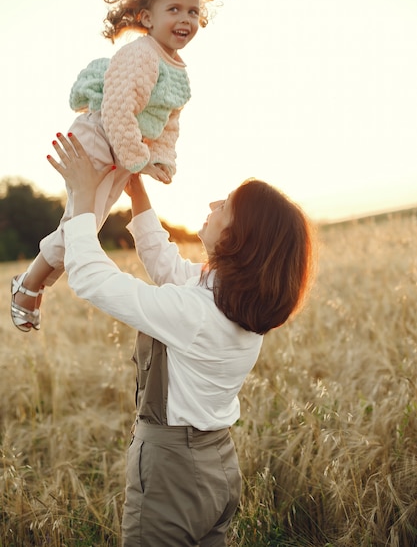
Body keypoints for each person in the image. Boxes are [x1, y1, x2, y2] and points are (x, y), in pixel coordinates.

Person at [44, 133, 314, 546]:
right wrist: (135, 188)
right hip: (217, 466)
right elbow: (166, 263)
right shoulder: (227, 301)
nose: (212, 206)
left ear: (238, 236)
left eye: (225, 205)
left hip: (172, 473)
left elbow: (92, 278)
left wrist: (82, 196)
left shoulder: (199, 314)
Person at [10, 0, 237, 332]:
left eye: (193, 12)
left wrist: (161, 162)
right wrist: (135, 157)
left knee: (83, 225)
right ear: (147, 17)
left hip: (123, 151)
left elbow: (168, 124)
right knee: (82, 224)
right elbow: (116, 108)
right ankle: (28, 285)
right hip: (99, 139)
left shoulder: (178, 72)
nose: (185, 19)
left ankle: (28, 285)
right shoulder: (142, 55)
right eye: (175, 10)